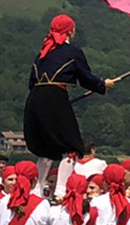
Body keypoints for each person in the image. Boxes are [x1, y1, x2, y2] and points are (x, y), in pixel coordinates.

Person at [21, 14, 109, 177]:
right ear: (71, 31)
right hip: (55, 96)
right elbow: (85, 77)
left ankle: (37, 190)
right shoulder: (72, 52)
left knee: (46, 148)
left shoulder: (41, 55)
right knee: (71, 146)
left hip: (34, 99)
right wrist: (103, 85)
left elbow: (31, 83)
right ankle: (61, 190)